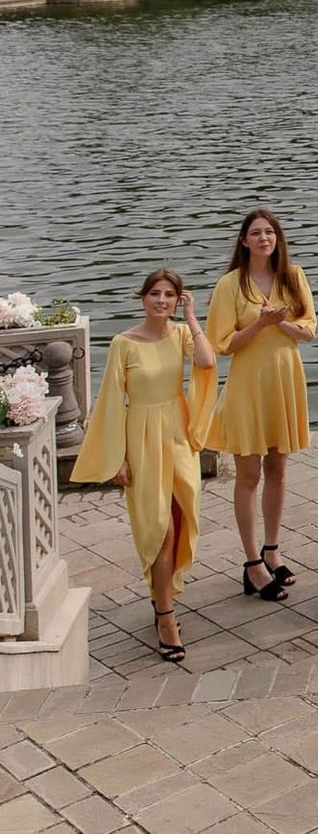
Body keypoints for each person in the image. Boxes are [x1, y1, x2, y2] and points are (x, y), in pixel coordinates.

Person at [72, 269, 216, 661]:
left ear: (177, 299)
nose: (162, 301)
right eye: (155, 294)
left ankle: (162, 597)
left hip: (177, 434)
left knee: (183, 517)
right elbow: (111, 402)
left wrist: (190, 317)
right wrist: (118, 457)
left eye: (170, 295)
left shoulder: (182, 334)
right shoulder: (124, 343)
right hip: (141, 437)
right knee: (159, 528)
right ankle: (166, 614)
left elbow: (206, 363)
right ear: (143, 298)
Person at [206, 207, 316, 601]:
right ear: (244, 240)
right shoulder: (229, 285)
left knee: (279, 469)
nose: (264, 238)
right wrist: (260, 324)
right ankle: (251, 563)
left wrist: (282, 324)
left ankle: (272, 549)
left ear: (277, 238)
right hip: (248, 386)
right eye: (256, 233)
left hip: (285, 381)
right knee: (249, 475)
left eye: (269, 232)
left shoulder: (293, 276)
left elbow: (308, 330)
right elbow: (221, 344)